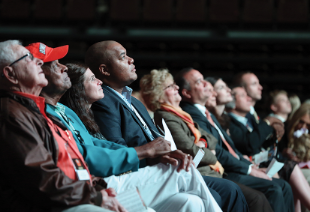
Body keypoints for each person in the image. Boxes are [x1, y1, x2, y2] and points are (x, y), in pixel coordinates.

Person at [31, 41, 221, 212]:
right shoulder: (36, 113)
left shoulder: (64, 110)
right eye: (53, 64)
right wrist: (143, 153)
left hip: (99, 180)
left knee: (190, 202)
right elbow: (83, 155)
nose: (62, 67)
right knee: (183, 172)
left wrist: (152, 154)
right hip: (90, 186)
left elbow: (97, 145)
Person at [85, 40, 246, 210]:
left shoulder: (135, 102)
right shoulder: (104, 102)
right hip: (144, 171)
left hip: (167, 165)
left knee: (230, 189)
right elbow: (116, 147)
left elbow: (165, 140)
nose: (131, 59)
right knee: (224, 192)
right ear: (104, 70)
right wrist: (154, 155)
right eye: (123, 57)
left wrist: (170, 152)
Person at [0, 40, 120, 212]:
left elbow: (69, 162)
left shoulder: (32, 109)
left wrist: (96, 186)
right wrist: (94, 196)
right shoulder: (10, 115)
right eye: (28, 58)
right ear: (10, 74)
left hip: (75, 194)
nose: (38, 62)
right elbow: (41, 180)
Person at [140, 68, 274, 212]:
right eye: (170, 86)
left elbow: (211, 138)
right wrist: (209, 152)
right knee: (248, 195)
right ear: (158, 96)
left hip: (210, 170)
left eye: (175, 84)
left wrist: (202, 144)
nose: (177, 87)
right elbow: (189, 149)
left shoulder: (182, 114)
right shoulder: (165, 116)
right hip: (200, 172)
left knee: (260, 192)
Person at [176, 67, 294, 212]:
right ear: (186, 93)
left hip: (234, 166)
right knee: (271, 190)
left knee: (284, 186)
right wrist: (249, 169)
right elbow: (216, 149)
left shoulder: (207, 114)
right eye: (200, 82)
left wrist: (249, 165)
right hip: (224, 170)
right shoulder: (191, 113)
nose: (207, 84)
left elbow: (229, 148)